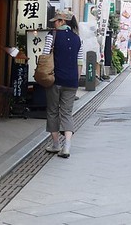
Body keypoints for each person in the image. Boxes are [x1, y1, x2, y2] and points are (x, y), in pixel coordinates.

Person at [44, 10, 82, 158]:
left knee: (53, 111)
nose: (54, 23)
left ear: (62, 21)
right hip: (72, 81)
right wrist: (76, 80)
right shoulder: (77, 39)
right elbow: (80, 62)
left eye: (56, 20)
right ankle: (67, 146)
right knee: (67, 113)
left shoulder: (51, 36)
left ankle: (55, 145)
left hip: (55, 79)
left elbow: (45, 55)